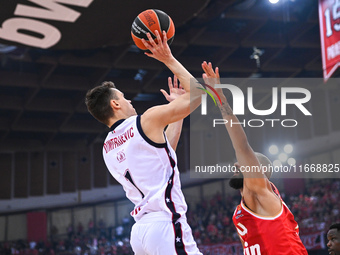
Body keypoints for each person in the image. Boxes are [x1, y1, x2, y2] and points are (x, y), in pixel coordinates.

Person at [85, 30, 203, 255]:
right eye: (123, 97)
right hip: (165, 224)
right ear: (115, 105)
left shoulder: (108, 147)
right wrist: (168, 58)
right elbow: (197, 94)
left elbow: (164, 156)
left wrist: (177, 113)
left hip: (141, 233)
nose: (128, 100)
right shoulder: (145, 121)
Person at [201, 62, 308, 255]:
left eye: (242, 163)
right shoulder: (242, 209)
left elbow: (241, 145)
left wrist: (219, 97)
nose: (236, 163)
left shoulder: (262, 190)